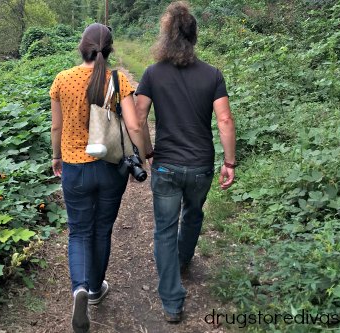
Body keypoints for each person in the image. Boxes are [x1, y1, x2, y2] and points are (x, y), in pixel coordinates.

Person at [135, 1, 236, 323]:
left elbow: (137, 118)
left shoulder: (152, 74)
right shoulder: (213, 75)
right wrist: (229, 162)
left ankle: (172, 301)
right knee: (193, 213)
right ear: (194, 37)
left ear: (166, 36)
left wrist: (147, 152)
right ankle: (183, 259)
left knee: (164, 230)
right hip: (202, 165)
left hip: (166, 165)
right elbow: (224, 121)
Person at [49, 23, 145, 333]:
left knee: (78, 231)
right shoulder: (118, 80)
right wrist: (140, 158)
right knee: (102, 228)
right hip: (109, 167)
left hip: (75, 168)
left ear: (82, 47)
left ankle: (79, 288)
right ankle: (94, 289)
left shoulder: (62, 80)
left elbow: (56, 128)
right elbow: (134, 126)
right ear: (110, 49)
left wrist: (56, 157)